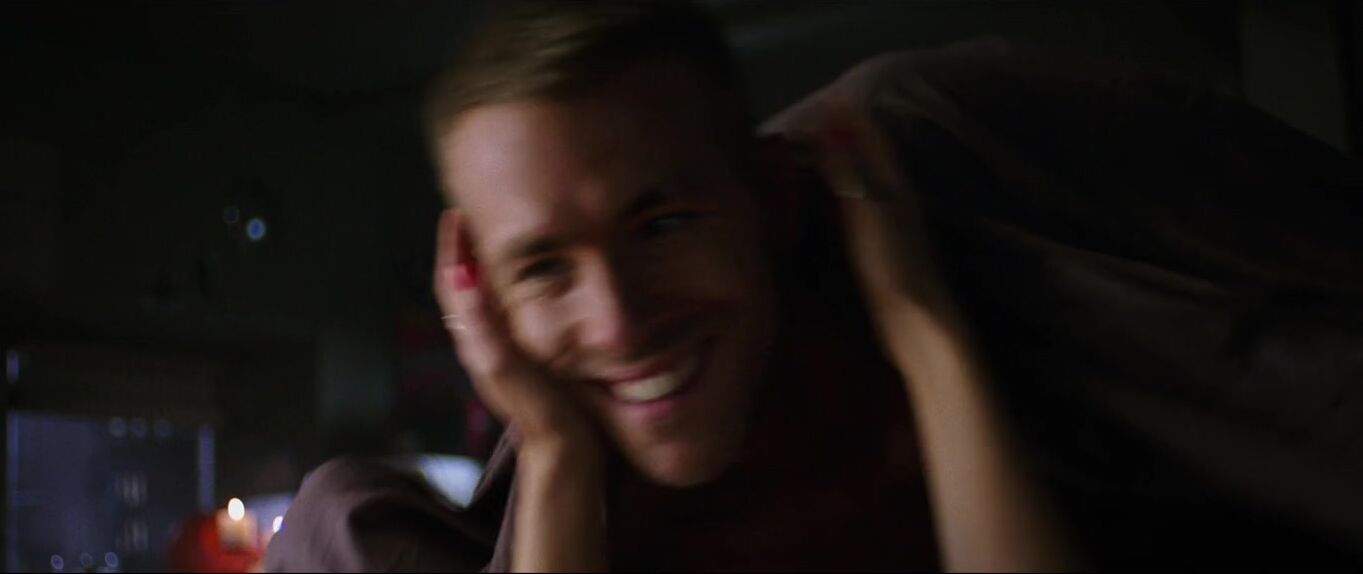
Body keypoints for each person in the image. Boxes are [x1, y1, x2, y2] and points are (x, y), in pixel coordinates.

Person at [266, 2, 1363, 571]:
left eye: (664, 224)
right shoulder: (530, 482)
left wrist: (925, 333)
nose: (619, 320)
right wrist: (553, 452)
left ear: (771, 197)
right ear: (483, 299)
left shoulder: (919, 161)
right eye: (544, 266)